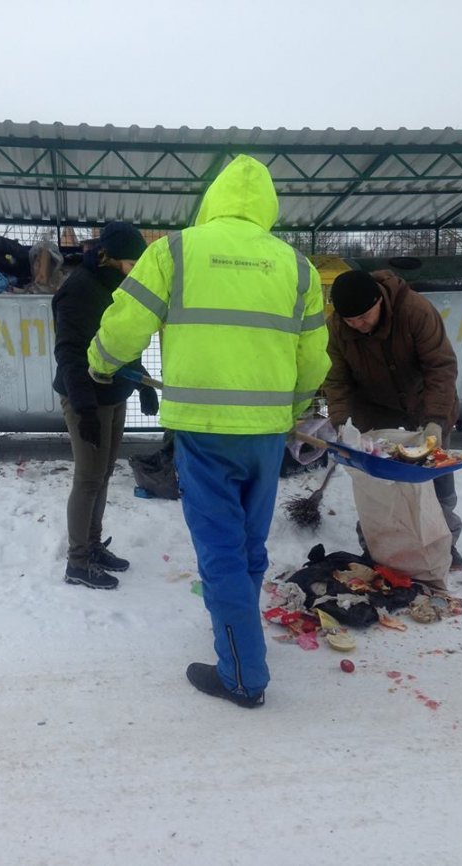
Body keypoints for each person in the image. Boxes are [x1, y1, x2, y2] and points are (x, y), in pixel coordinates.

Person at [87, 154, 330, 707]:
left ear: (212, 198)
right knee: (248, 545)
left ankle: (243, 676)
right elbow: (314, 360)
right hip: (266, 436)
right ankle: (237, 638)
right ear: (268, 205)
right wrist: (292, 410)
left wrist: (101, 361)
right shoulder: (297, 267)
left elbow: (126, 323)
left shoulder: (175, 250)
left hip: (203, 432)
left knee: (220, 551)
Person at [324, 268, 462, 570]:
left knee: (434, 475)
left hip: (424, 400)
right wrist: (342, 424)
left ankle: (444, 543)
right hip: (373, 406)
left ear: (379, 302)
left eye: (363, 317)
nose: (358, 326)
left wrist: (436, 420)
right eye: (350, 320)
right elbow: (336, 381)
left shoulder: (415, 311)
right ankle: (377, 546)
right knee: (377, 484)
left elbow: (440, 367)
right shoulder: (336, 328)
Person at [52, 221, 159, 590]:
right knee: (87, 479)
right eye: (131, 262)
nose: (136, 269)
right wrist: (83, 410)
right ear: (108, 257)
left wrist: (142, 382)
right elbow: (69, 355)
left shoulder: (120, 287)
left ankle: (93, 546)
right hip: (85, 395)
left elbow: (120, 343)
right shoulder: (78, 290)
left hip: (114, 394)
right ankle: (77, 562)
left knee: (104, 474)